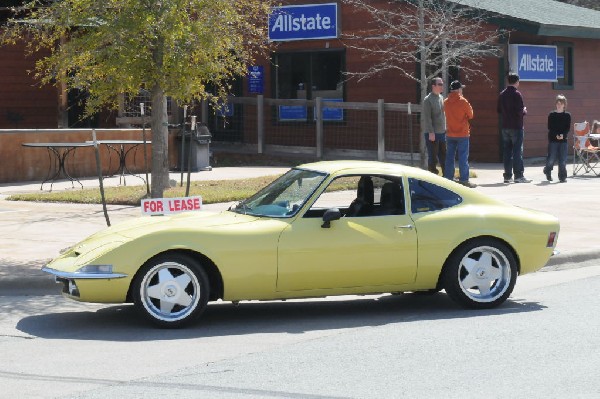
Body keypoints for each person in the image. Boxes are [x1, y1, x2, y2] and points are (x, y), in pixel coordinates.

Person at [497, 73, 531, 183]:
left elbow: (498, 110)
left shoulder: (502, 94)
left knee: (507, 151)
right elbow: (519, 112)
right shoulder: (517, 94)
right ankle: (518, 175)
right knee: (517, 151)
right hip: (516, 126)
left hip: (505, 126)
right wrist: (524, 110)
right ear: (517, 82)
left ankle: (507, 176)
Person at [444, 80, 475, 188]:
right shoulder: (463, 101)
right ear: (458, 90)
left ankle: (448, 178)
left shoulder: (446, 102)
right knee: (463, 158)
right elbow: (471, 115)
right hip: (462, 134)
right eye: (461, 88)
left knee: (449, 157)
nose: (462, 90)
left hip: (450, 133)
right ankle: (464, 180)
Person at [421, 77, 446, 175]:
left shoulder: (441, 97)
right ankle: (432, 177)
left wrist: (446, 127)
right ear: (433, 86)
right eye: (439, 84)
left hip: (442, 132)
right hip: (432, 133)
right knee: (433, 157)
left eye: (442, 84)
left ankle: (447, 177)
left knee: (444, 155)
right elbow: (427, 118)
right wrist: (431, 132)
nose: (442, 86)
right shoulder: (428, 100)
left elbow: (443, 115)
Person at [543, 95, 571, 183]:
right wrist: (556, 135)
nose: (559, 105)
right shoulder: (551, 115)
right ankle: (547, 170)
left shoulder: (567, 115)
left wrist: (563, 135)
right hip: (553, 139)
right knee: (551, 159)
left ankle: (562, 176)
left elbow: (567, 128)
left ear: (564, 105)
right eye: (558, 103)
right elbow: (550, 127)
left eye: (561, 104)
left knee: (562, 160)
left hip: (563, 140)